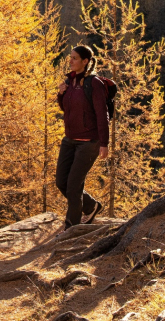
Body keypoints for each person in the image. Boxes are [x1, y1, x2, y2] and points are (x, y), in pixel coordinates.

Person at [55, 45, 109, 229]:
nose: (70, 61)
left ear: (85, 62)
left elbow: (102, 114)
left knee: (73, 186)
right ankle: (91, 206)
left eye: (74, 58)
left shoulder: (94, 83)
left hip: (88, 143)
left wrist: (104, 143)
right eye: (70, 57)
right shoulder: (69, 82)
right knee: (61, 181)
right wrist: (61, 94)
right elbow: (66, 109)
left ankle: (72, 227)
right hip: (69, 139)